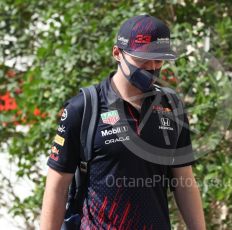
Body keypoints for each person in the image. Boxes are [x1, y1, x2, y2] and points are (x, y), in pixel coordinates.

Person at [40, 14, 206, 229]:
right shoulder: (83, 108)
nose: (152, 66)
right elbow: (56, 186)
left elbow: (184, 181)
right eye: (143, 58)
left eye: (159, 59)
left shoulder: (171, 106)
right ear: (117, 53)